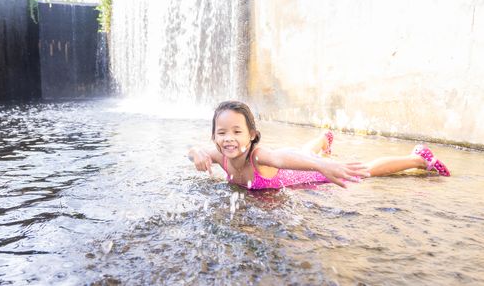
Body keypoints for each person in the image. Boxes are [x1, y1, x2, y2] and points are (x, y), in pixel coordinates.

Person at [188, 100, 450, 190]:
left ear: (252, 135)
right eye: (221, 132)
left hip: (309, 172)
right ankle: (324, 139)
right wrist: (197, 151)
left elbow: (282, 156)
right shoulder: (218, 153)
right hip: (301, 162)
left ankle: (418, 157)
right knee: (305, 150)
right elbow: (191, 151)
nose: (229, 138)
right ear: (214, 137)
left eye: (237, 131)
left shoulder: (258, 156)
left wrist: (324, 165)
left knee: (364, 171)